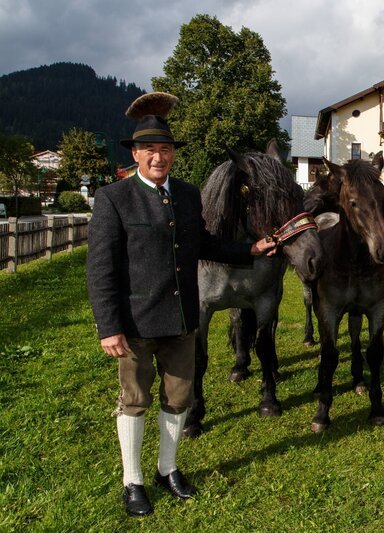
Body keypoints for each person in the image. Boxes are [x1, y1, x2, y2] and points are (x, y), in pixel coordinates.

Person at [87, 92, 276, 517]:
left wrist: (251, 249)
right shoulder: (114, 198)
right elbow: (100, 269)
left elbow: (203, 245)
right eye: (150, 149)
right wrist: (108, 326)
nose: (159, 156)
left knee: (179, 396)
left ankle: (167, 469)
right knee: (134, 399)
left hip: (181, 318)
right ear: (135, 153)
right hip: (135, 322)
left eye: (166, 149)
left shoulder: (188, 195)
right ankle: (132, 480)